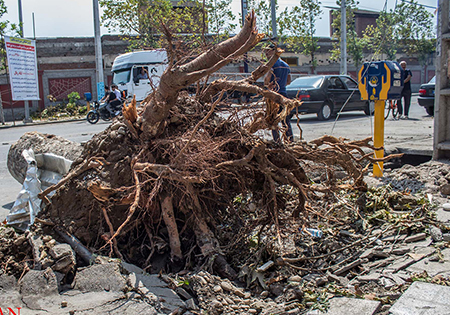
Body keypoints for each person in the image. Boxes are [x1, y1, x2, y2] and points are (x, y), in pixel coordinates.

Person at [264, 44, 293, 142]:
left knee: (273, 120)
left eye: (268, 51)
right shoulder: (286, 65)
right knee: (285, 119)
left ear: (274, 51)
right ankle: (289, 140)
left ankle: (277, 141)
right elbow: (288, 81)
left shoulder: (271, 64)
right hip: (284, 94)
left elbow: (266, 80)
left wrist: (268, 84)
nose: (266, 53)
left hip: (274, 95)